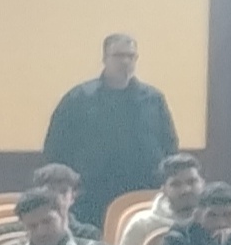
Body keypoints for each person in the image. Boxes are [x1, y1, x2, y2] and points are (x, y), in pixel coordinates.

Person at [41, 33, 180, 229]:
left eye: (131, 56)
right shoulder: (78, 99)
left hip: (143, 194)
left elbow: (169, 145)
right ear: (105, 58)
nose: (125, 62)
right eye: (119, 56)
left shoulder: (153, 99)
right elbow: (56, 148)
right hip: (91, 198)